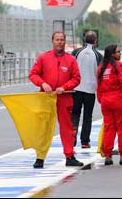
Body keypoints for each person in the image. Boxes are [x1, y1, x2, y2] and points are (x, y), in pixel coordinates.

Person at [29, 31, 83, 168]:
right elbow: (33, 74)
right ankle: (40, 158)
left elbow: (76, 78)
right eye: (57, 39)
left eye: (61, 40)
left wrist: (64, 87)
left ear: (65, 42)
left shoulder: (71, 60)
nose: (59, 42)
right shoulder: (43, 58)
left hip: (64, 97)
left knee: (67, 128)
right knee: (44, 128)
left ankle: (70, 156)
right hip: (46, 98)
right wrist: (43, 84)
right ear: (52, 41)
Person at [97, 44, 122, 165]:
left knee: (109, 128)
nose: (120, 54)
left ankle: (108, 155)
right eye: (118, 52)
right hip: (118, 100)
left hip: (105, 101)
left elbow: (98, 87)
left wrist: (101, 99)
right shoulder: (118, 65)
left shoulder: (101, 68)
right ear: (112, 54)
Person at [71, 31, 103, 149]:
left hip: (76, 88)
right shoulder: (98, 55)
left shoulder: (76, 52)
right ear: (95, 41)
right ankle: (85, 142)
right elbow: (100, 73)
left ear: (84, 39)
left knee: (75, 113)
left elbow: (70, 66)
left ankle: (73, 133)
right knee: (87, 116)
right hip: (90, 90)